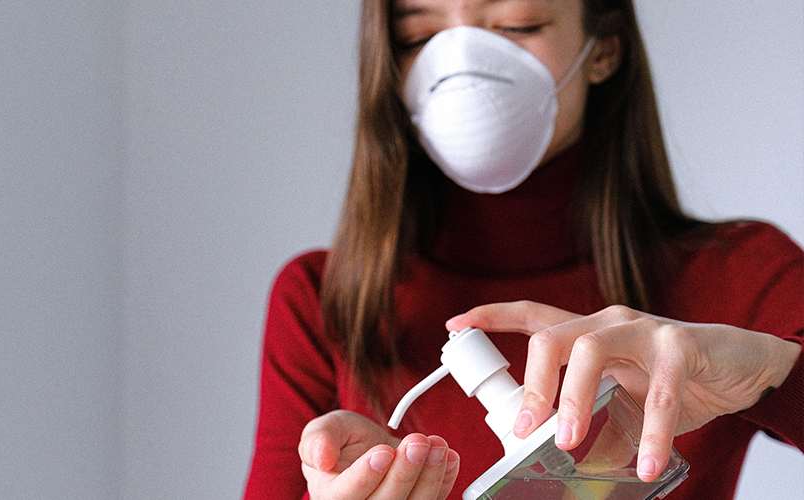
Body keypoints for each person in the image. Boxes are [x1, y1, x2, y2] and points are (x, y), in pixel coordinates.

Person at [243, 0, 803, 498]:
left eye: (516, 25)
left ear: (605, 45)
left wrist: (773, 373)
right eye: (418, 37)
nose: (460, 64)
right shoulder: (323, 300)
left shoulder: (742, 275)